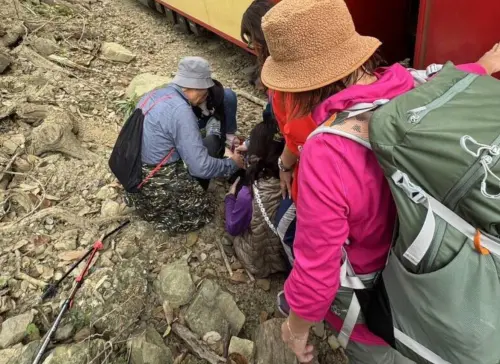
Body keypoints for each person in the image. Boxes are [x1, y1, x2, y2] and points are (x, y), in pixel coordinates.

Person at [259, 0, 500, 363]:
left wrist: (295, 330)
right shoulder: (419, 86)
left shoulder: (327, 152)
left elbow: (316, 272)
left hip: (379, 307)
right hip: (449, 284)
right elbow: (462, 76)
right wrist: (484, 66)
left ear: (297, 86)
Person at [128, 56, 244, 234]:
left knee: (202, 143)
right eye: (205, 92)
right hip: (158, 182)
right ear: (195, 87)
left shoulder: (153, 95)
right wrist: (232, 164)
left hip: (136, 177)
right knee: (205, 209)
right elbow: (200, 168)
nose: (205, 97)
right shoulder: (181, 110)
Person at [241, 0, 317, 203]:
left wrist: (284, 166)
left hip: (310, 160)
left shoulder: (287, 79)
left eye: (251, 40)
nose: (253, 48)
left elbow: (298, 133)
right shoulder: (304, 61)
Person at [224, 120, 289, 277]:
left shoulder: (249, 194)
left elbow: (233, 227)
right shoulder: (294, 177)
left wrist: (231, 197)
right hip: (284, 257)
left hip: (258, 260)